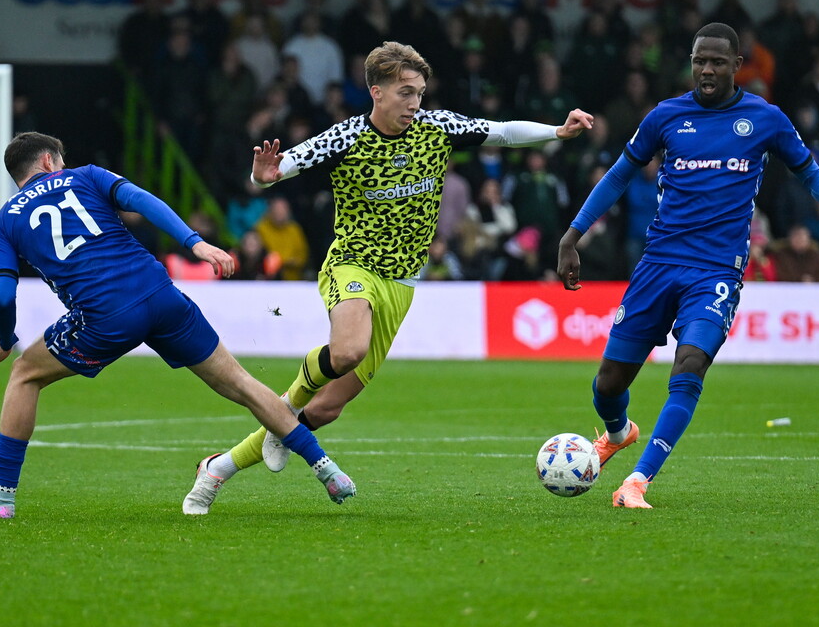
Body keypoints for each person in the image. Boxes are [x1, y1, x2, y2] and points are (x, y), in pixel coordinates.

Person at [183, 41, 592, 513]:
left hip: (403, 283)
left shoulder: (437, 128)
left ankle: (221, 466)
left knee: (325, 409)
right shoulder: (345, 137)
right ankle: (287, 411)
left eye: (419, 92)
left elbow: (501, 132)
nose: (415, 103)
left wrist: (557, 132)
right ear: (376, 92)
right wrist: (262, 178)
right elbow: (279, 168)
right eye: (405, 93)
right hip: (352, 264)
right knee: (348, 349)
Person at [0, 132, 355, 519]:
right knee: (242, 384)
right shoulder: (86, 176)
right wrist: (196, 243)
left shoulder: (4, 222)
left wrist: (8, 336)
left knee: (24, 374)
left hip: (104, 318)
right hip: (162, 296)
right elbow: (142, 200)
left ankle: (1, 498)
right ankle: (327, 469)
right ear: (49, 161)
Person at [556, 23, 819, 509]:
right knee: (608, 384)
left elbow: (809, 168)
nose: (707, 70)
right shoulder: (666, 116)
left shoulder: (765, 118)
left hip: (716, 271)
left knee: (690, 365)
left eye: (717, 61)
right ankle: (618, 432)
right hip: (658, 264)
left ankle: (638, 481)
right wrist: (573, 234)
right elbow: (618, 175)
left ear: (738, 66)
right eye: (699, 60)